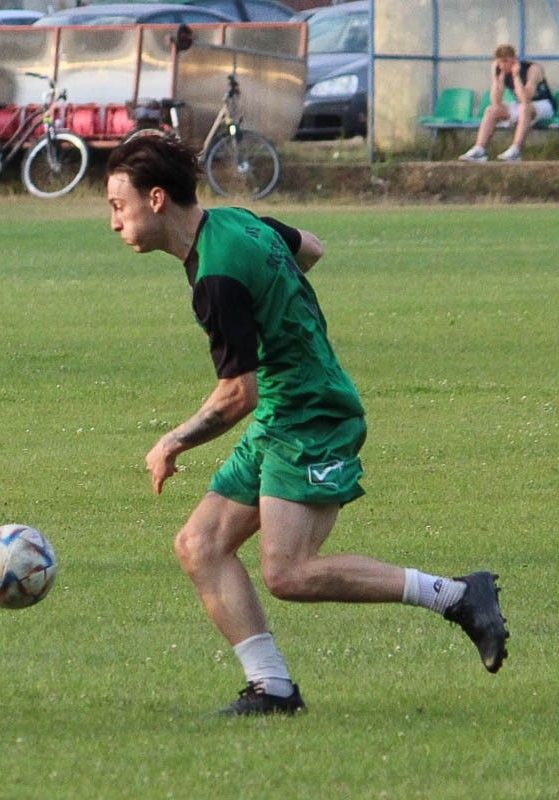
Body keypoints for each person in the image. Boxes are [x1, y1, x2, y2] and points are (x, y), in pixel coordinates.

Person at [105, 136, 509, 716]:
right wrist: (280, 307)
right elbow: (311, 247)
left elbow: (237, 394)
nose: (114, 222)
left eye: (119, 206)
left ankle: (457, 596)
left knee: (288, 572)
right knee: (200, 546)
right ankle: (272, 688)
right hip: (283, 409)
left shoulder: (216, 278)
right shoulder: (238, 222)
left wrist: (172, 441)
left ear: (157, 199)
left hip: (312, 413)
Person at [459, 44, 554, 162]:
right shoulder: (502, 72)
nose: (502, 66)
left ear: (514, 60)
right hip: (522, 106)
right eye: (499, 62)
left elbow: (526, 98)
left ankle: (516, 150)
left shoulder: (533, 69)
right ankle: (479, 149)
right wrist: (496, 78)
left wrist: (516, 76)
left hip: (543, 105)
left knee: (525, 108)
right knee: (491, 110)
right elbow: (496, 101)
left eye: (505, 61)